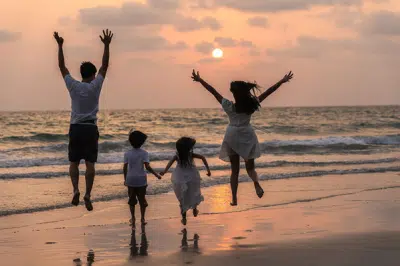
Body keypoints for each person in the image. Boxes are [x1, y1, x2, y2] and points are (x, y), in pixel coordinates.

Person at [191, 69, 293, 206]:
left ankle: (234, 198)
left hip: (232, 135)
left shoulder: (229, 106)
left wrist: (200, 80)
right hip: (247, 135)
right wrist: (282, 81)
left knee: (235, 171)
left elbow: (213, 91)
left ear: (234, 93)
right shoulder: (251, 104)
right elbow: (268, 92)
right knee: (250, 168)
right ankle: (256, 184)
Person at [53, 29, 114, 211]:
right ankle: (87, 194)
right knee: (90, 165)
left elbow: (62, 67)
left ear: (81, 74)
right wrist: (106, 45)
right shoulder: (95, 85)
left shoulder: (73, 85)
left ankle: (75, 190)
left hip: (76, 128)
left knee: (73, 163)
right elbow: (105, 66)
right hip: (90, 128)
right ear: (93, 75)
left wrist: (60, 45)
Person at [160, 137, 211, 225]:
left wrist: (164, 172)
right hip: (192, 176)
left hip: (180, 177)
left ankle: (184, 218)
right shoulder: (191, 155)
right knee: (193, 192)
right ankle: (195, 209)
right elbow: (203, 158)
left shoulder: (177, 156)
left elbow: (169, 163)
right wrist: (208, 170)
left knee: (182, 197)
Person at [124, 130, 162, 228]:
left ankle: (133, 218)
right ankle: (142, 218)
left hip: (131, 179)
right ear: (142, 142)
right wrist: (156, 175)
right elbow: (147, 167)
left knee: (131, 200)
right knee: (142, 199)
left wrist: (125, 179)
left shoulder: (127, 153)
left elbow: (125, 168)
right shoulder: (144, 153)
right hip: (141, 179)